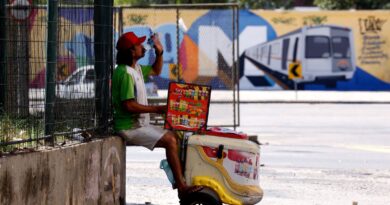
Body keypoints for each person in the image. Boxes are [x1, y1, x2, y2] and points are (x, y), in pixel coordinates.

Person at [112, 32, 203, 199]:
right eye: (139, 45)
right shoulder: (125, 73)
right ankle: (182, 187)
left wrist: (159, 52)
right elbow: (128, 105)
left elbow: (156, 69)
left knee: (175, 136)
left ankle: (181, 179)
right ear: (132, 51)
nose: (143, 47)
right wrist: (157, 109)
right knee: (170, 140)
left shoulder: (135, 68)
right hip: (129, 127)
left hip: (138, 124)